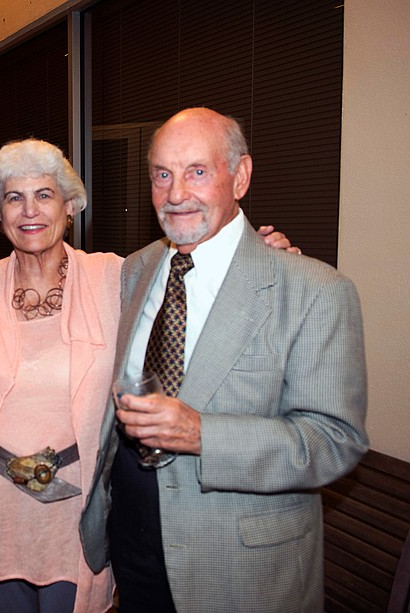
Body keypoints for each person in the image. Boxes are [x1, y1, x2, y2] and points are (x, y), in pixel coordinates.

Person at [0, 138, 294, 613]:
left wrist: (251, 254)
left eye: (45, 195)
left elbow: (194, 272)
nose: (29, 210)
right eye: (14, 197)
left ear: (70, 206)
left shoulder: (116, 277)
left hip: (77, 512)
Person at [80, 107, 368, 612]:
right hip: (133, 552)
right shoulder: (138, 268)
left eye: (197, 172)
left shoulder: (314, 290)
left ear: (240, 176)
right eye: (162, 175)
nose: (175, 194)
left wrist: (202, 434)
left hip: (240, 571)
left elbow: (335, 442)